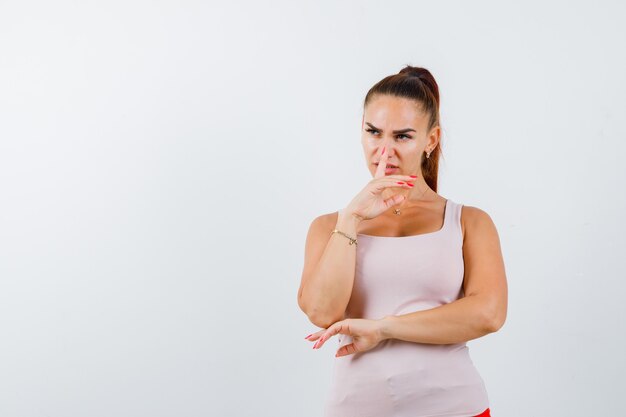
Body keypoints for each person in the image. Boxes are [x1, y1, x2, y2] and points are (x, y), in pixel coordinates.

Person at [297, 65, 508, 417]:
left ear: (432, 140)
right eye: (374, 132)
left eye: (403, 136)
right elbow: (322, 312)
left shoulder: (469, 222)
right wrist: (352, 217)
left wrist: (383, 328)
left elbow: (488, 314)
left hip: (455, 407)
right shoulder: (329, 227)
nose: (384, 150)